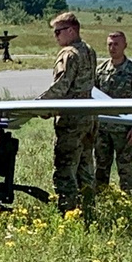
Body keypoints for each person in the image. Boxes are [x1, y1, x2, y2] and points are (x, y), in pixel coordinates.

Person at [37, 12, 98, 215]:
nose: (56, 37)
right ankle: (88, 209)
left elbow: (61, 87)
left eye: (58, 32)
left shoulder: (69, 54)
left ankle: (68, 212)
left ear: (71, 30)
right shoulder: (89, 51)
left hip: (71, 118)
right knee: (85, 166)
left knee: (65, 167)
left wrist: (39, 106)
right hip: (88, 116)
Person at [95, 31, 132, 196]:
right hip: (102, 129)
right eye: (110, 44)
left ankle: (129, 200)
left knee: (125, 168)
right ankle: (101, 200)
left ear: (125, 45)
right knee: (101, 167)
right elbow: (93, 98)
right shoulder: (100, 70)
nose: (112, 48)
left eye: (116, 44)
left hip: (124, 130)